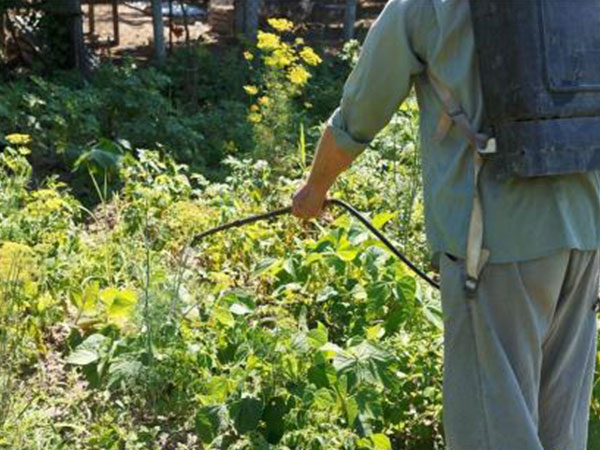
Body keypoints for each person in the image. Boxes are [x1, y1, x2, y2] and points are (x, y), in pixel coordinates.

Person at [291, 1, 600, 449]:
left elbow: (359, 112)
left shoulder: (427, 6)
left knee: (492, 433)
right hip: (586, 235)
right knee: (559, 433)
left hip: (495, 245)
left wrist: (314, 188)